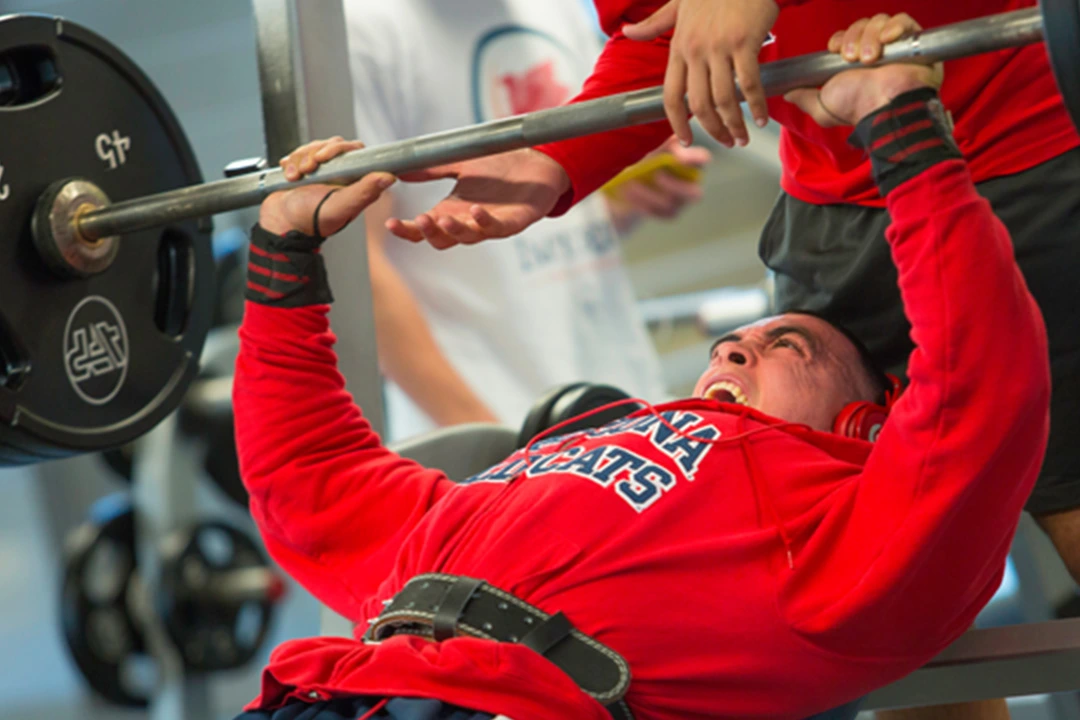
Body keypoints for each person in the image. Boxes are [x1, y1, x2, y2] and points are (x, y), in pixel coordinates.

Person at [232, 37, 1050, 720]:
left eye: (787, 344)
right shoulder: (504, 487)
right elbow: (308, 481)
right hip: (326, 695)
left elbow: (979, 384)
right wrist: (280, 257)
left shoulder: (841, 540)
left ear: (865, 428)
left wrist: (902, 127)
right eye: (735, 343)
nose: (732, 349)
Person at [384, 0, 1080, 617]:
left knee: (1068, 500)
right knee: (890, 575)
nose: (732, 355)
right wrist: (560, 156)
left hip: (1021, 153)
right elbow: (672, 32)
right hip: (831, 204)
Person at [343, 0, 710, 440]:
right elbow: (354, 268)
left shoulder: (556, 8)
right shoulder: (363, 30)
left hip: (620, 400)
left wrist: (623, 192)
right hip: (495, 425)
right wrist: (490, 441)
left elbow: (551, 215)